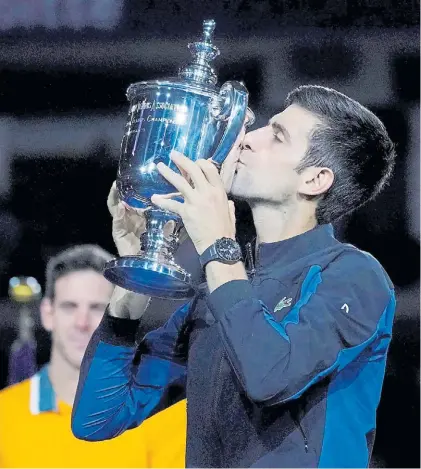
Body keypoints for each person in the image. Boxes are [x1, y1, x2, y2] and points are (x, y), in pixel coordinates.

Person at [72, 85, 397, 468]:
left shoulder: (355, 276)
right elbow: (98, 418)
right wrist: (135, 281)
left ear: (314, 180)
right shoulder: (219, 291)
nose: (246, 139)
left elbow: (270, 376)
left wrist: (217, 244)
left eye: (276, 136)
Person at [0, 244, 186, 468]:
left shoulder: (155, 415)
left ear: (118, 313)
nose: (82, 322)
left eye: (97, 308)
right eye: (70, 307)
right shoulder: (4, 415)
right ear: (48, 314)